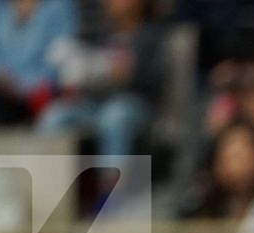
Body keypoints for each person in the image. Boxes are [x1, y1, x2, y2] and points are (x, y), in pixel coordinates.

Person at [35, 0, 165, 159]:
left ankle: (115, 181)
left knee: (115, 117)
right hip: (95, 103)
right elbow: (87, 67)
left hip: (135, 104)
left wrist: (130, 74)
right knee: (55, 116)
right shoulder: (101, 35)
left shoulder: (151, 35)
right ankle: (50, 181)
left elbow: (155, 80)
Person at [0, 0, 78, 127]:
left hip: (38, 98)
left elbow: (58, 65)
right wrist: (0, 78)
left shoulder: (59, 5)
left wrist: (18, 87)